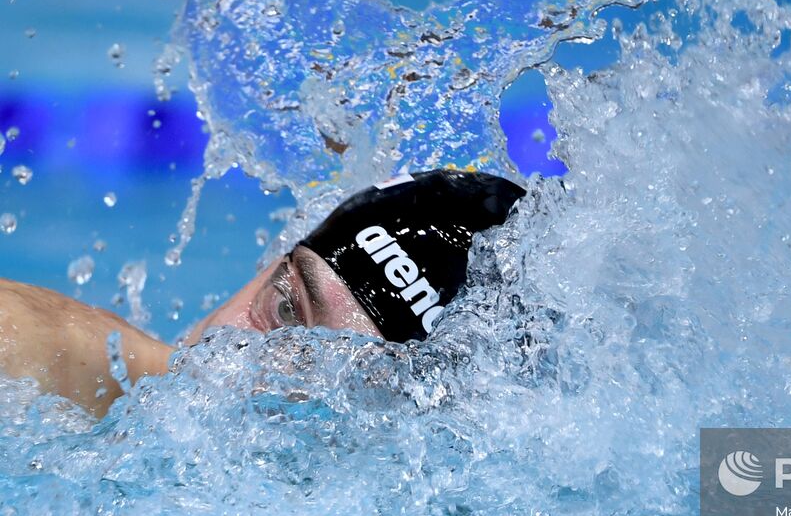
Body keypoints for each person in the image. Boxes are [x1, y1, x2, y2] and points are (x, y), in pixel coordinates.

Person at [0, 169, 526, 417]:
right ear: (270, 263)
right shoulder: (43, 370)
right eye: (282, 309)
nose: (255, 375)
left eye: (340, 379)